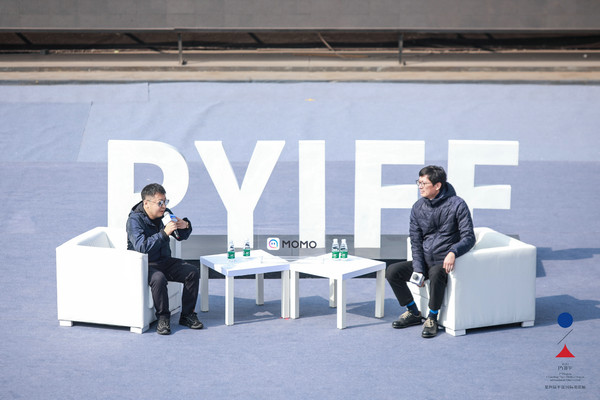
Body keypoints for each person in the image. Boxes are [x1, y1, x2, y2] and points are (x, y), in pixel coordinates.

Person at [386, 165, 475, 338]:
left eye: (424, 183)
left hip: (444, 263)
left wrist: (453, 252)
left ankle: (432, 318)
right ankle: (413, 312)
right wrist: (418, 269)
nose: (420, 187)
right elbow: (416, 241)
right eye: (418, 182)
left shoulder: (458, 205)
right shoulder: (417, 207)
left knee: (435, 273)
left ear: (437, 185)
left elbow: (469, 237)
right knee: (392, 271)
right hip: (426, 260)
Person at [126, 183, 203, 335]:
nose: (164, 206)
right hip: (145, 265)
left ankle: (187, 315)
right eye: (160, 203)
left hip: (164, 261)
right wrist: (163, 233)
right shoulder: (134, 220)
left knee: (192, 272)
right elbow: (142, 247)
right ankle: (163, 318)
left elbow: (180, 236)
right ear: (146, 203)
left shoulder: (165, 213)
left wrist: (185, 225)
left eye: (165, 201)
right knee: (159, 278)